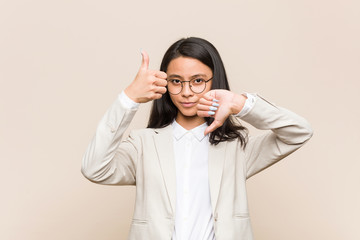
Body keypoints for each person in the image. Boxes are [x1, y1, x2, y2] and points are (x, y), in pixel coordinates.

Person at [81, 37, 313, 240]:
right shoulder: (143, 144)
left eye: (198, 80)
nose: (187, 91)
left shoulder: (237, 149)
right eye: (176, 81)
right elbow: (94, 168)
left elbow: (299, 132)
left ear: (215, 80)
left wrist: (240, 104)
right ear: (165, 84)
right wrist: (128, 98)